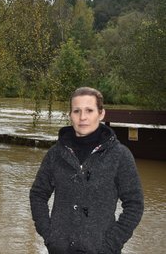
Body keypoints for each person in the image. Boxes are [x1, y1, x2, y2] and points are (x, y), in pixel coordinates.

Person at [29, 87, 144, 254]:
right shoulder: (55, 153)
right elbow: (38, 194)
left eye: (89, 110)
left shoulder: (120, 155)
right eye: (77, 111)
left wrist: (110, 245)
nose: (82, 117)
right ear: (70, 115)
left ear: (101, 113)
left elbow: (134, 205)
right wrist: (49, 235)